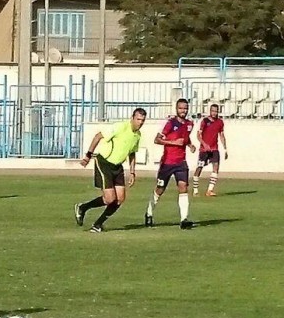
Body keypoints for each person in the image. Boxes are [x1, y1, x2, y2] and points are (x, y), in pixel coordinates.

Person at [75, 108, 146, 233]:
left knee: (120, 199)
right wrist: (88, 155)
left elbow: (132, 153)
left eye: (143, 120)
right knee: (109, 199)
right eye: (138, 119)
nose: (140, 122)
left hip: (117, 167)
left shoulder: (137, 135)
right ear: (132, 118)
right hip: (104, 163)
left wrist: (132, 172)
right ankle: (83, 207)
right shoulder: (120, 127)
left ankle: (97, 224)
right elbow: (98, 136)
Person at [145, 98, 195, 230]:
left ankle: (184, 219)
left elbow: (186, 137)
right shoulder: (170, 123)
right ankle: (149, 213)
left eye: (185, 108)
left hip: (181, 162)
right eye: (181, 108)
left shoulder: (189, 124)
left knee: (183, 187)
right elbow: (157, 140)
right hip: (167, 162)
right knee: (160, 189)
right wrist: (174, 143)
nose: (183, 111)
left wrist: (190, 145)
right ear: (176, 109)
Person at [193, 104, 227, 197]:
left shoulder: (220, 122)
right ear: (210, 111)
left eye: (216, 111)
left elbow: (221, 135)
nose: (214, 113)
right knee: (199, 167)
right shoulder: (205, 121)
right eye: (213, 111)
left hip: (214, 149)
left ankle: (210, 190)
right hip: (204, 150)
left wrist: (225, 149)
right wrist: (204, 144)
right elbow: (198, 135)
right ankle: (195, 190)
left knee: (216, 167)